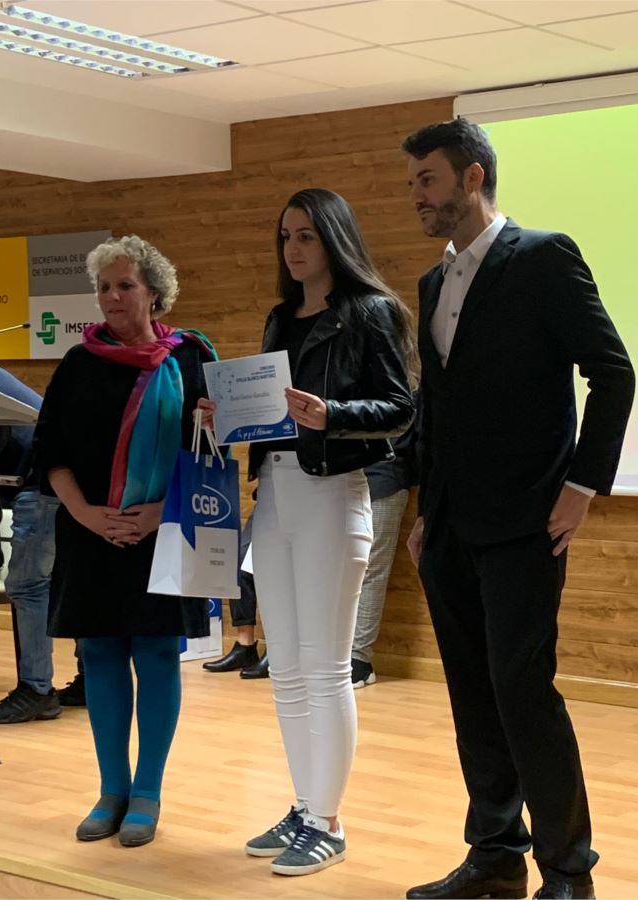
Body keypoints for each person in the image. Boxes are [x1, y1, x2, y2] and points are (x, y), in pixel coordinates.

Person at [402, 119, 635, 900]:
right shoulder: (432, 282)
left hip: (527, 521)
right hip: (450, 528)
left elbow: (612, 373)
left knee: (521, 692)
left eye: (427, 180)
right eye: (412, 184)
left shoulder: (541, 257)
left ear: (472, 178)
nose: (416, 197)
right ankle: (494, 856)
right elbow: (437, 408)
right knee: (472, 695)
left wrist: (581, 486)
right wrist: (425, 510)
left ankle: (567, 871)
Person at [200, 187, 415, 876]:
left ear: (333, 239)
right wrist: (226, 415)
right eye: (285, 237)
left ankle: (327, 821)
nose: (292, 249)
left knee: (325, 668)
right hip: (275, 494)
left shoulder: (372, 311)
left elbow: (401, 408)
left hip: (332, 493)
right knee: (286, 668)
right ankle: (304, 806)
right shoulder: (280, 317)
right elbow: (269, 411)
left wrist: (334, 414)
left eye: (305, 236)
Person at [33, 235, 218, 847]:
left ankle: (147, 793)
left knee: (158, 655)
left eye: (125, 285)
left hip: (166, 530)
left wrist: (161, 513)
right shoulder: (77, 363)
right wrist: (88, 515)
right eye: (104, 287)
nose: (112, 297)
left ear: (154, 293)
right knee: (102, 656)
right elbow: (50, 453)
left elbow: (210, 454)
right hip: (91, 533)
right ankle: (111, 790)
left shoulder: (191, 358)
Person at [0, 362, 72, 724]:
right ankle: (86, 681)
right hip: (53, 476)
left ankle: (36, 691)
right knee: (64, 581)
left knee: (29, 585)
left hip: (42, 478)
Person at [351, 394, 421, 689]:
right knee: (337, 569)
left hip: (387, 475)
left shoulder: (412, 380)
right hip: (343, 475)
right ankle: (337, 654)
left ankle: (359, 659)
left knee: (371, 568)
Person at [203, 515, 269, 679]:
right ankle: (245, 647)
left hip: (300, 507)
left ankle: (278, 650)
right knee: (239, 568)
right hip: (266, 505)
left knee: (276, 571)